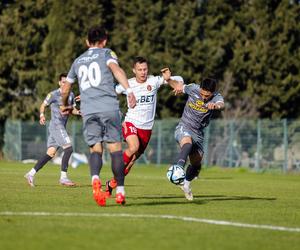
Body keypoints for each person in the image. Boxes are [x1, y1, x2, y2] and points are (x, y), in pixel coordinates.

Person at [60, 26, 136, 206]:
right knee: (116, 150)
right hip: (108, 107)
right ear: (105, 41)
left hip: (89, 110)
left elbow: (66, 88)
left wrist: (65, 104)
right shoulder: (107, 53)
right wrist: (129, 90)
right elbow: (116, 70)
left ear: (87, 42)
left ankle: (95, 179)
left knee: (95, 150)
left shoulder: (78, 61)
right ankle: (120, 192)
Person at [105, 56, 183, 197]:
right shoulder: (127, 84)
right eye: (140, 69)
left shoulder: (154, 81)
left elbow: (180, 81)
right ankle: (117, 170)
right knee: (133, 147)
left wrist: (169, 79)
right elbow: (109, 92)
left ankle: (111, 183)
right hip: (131, 122)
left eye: (145, 69)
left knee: (131, 162)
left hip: (146, 129)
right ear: (134, 70)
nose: (143, 72)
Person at [162, 69, 224, 201]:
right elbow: (178, 86)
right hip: (184, 126)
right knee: (187, 142)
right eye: (202, 94)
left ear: (212, 93)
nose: (203, 97)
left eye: (207, 96)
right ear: (199, 88)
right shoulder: (193, 88)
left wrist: (216, 106)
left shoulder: (217, 97)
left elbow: (221, 104)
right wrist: (168, 80)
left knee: (196, 164)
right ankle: (178, 167)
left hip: (199, 133)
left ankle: (186, 184)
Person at [24, 73, 81, 187]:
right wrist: (41, 115)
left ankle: (30, 174)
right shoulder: (53, 94)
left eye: (67, 82)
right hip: (56, 125)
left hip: (60, 127)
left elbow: (73, 110)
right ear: (59, 83)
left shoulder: (71, 94)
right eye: (63, 82)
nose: (65, 84)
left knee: (50, 153)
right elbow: (43, 105)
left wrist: (79, 112)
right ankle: (63, 178)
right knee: (68, 149)